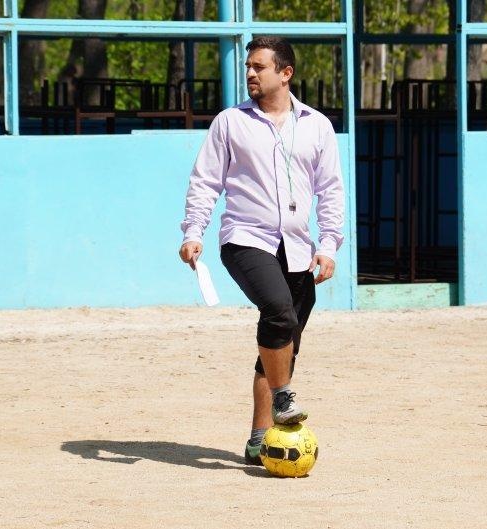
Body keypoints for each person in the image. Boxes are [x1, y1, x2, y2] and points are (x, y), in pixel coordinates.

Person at [178, 37, 345, 465]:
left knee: (282, 342)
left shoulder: (317, 126)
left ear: (285, 73)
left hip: (298, 247)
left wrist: (328, 244)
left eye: (259, 67)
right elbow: (205, 180)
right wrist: (193, 231)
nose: (250, 74)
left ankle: (258, 437)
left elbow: (330, 190)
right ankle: (283, 397)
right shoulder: (230, 122)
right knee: (277, 310)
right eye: (248, 67)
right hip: (245, 239)